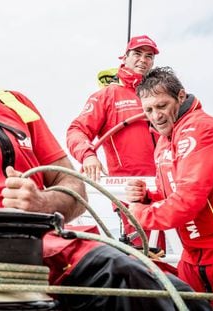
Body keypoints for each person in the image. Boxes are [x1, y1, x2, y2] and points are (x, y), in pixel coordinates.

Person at [0, 6, 212, 311]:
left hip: (58, 249)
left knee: (175, 290)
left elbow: (74, 187)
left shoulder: (14, 103)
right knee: (126, 276)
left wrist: (41, 201)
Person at [125, 66, 213, 311]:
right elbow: (172, 192)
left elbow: (187, 202)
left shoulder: (200, 129)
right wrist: (147, 197)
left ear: (180, 97)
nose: (155, 116)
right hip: (195, 261)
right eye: (148, 110)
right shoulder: (163, 141)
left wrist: (138, 212)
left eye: (161, 106)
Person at [66, 35, 164, 248]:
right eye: (137, 54)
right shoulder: (107, 95)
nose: (143, 59)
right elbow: (76, 131)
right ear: (125, 57)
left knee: (178, 252)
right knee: (145, 254)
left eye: (149, 56)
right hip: (131, 191)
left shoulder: (159, 94)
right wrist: (88, 155)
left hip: (168, 186)